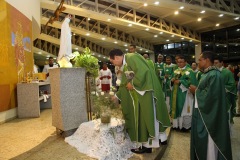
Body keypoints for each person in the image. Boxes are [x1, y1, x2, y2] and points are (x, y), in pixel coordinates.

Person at [109, 49, 171, 154]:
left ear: (116, 57)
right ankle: (148, 144)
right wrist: (117, 95)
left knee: (148, 118)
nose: (113, 64)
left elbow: (144, 72)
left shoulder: (132, 57)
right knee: (144, 118)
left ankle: (149, 145)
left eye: (112, 61)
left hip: (147, 92)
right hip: (142, 93)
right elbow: (125, 82)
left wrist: (133, 83)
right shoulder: (127, 62)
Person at [189, 51, 232, 160]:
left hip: (209, 117)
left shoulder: (214, 74)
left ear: (207, 60)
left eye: (200, 60)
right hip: (203, 113)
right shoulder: (207, 73)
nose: (198, 62)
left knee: (209, 145)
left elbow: (212, 97)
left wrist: (196, 91)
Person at [170, 55, 197, 130]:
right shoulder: (175, 71)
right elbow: (171, 81)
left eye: (181, 62)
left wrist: (180, 82)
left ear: (185, 62)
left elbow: (192, 83)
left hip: (185, 94)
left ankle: (185, 126)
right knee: (176, 109)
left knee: (185, 109)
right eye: (178, 62)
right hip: (176, 94)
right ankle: (176, 125)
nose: (179, 64)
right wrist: (171, 81)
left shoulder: (190, 71)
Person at [214, 55, 237, 124]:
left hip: (225, 98)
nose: (215, 64)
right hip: (214, 98)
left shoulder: (227, 72)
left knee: (225, 118)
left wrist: (221, 88)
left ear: (222, 63)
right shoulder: (212, 72)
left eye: (216, 63)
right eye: (214, 63)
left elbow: (232, 85)